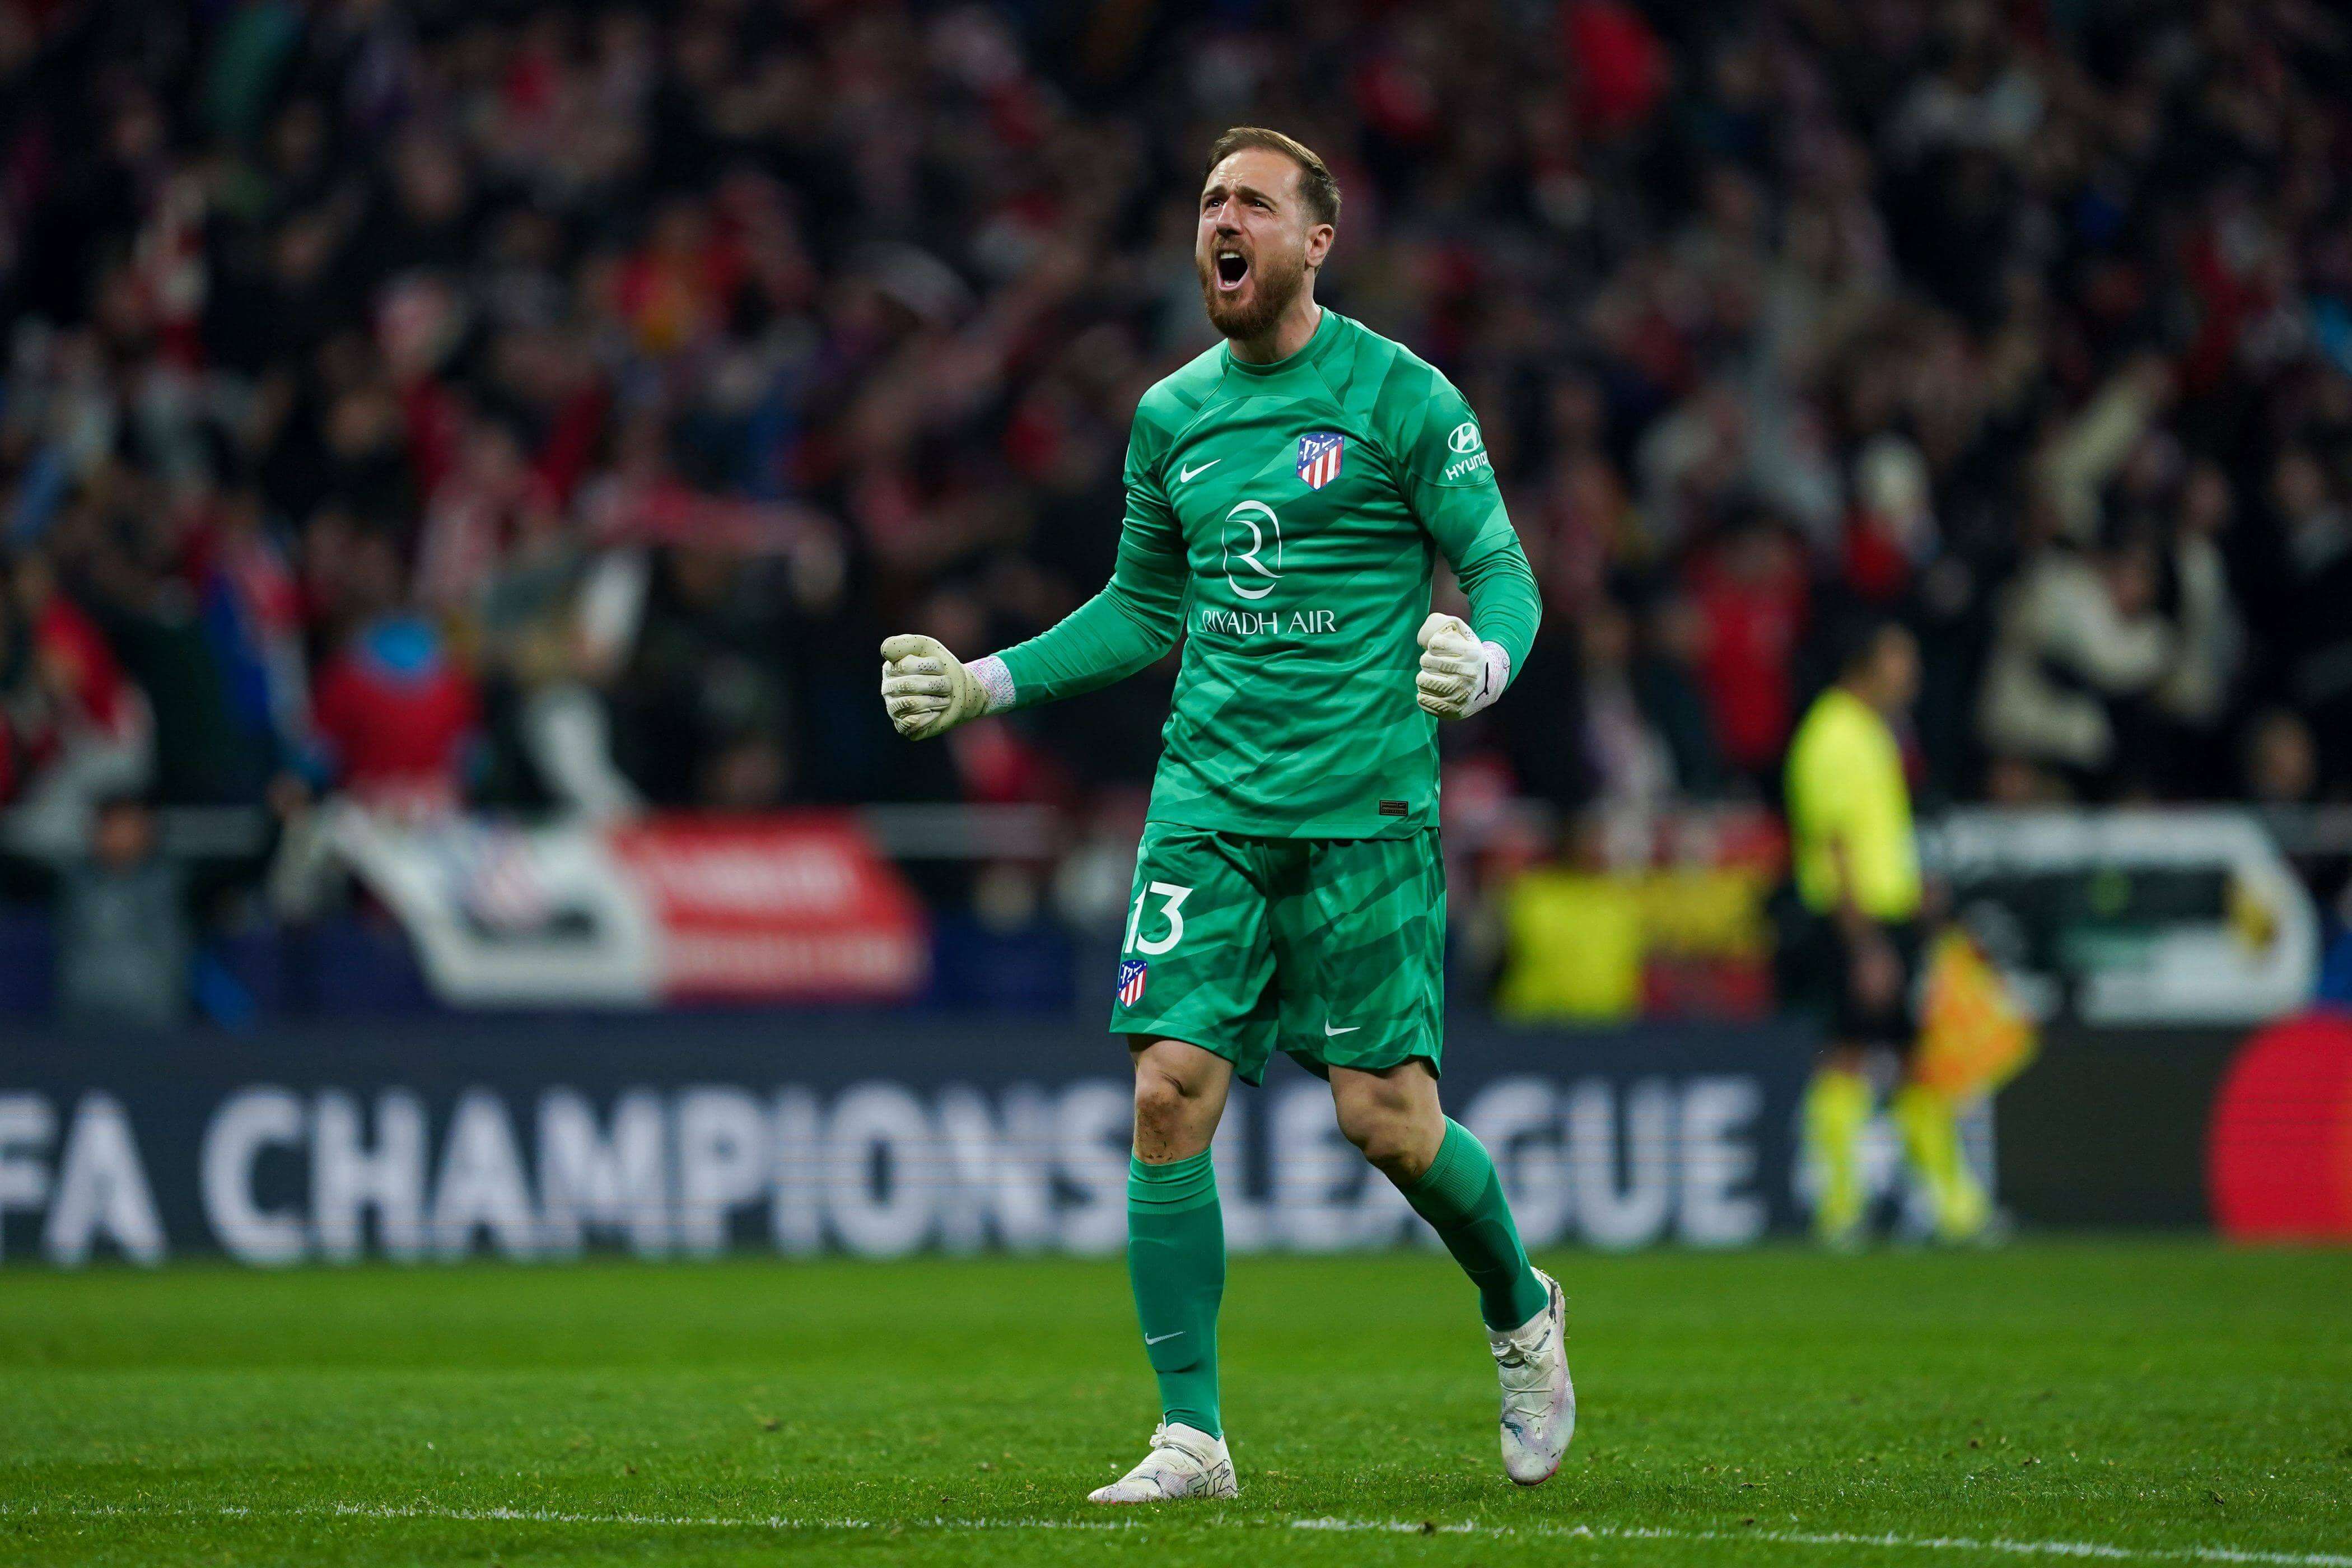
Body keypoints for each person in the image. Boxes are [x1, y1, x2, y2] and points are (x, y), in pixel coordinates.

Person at [878, 128, 1566, 1502]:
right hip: (1207, 808)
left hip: (1364, 809)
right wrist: (984, 682)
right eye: (1206, 203)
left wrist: (1483, 663)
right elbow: (1145, 607)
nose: (1221, 221)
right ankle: (1192, 1434)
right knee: (1165, 1092)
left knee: (1387, 1124)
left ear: (1320, 238)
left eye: (1251, 201)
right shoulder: (1172, 417)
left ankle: (1521, 1309)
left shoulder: (1402, 396)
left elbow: (1501, 569)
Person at [1784, 619, 1988, 1247]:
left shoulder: (1871, 731)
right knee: (1850, 1053)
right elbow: (1836, 845)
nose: (1913, 674)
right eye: (1902, 660)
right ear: (1865, 664)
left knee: (1912, 1060)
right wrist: (1866, 943)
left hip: (1887, 918)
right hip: (1855, 922)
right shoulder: (1833, 736)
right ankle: (1842, 1208)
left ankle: (1951, 1207)